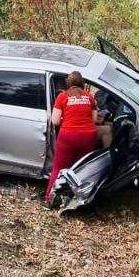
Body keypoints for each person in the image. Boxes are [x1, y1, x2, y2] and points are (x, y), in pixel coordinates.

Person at [46, 70, 101, 204]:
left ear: (68, 83)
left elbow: (55, 121)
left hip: (68, 135)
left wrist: (68, 116)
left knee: (58, 168)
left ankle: (49, 198)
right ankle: (78, 199)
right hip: (88, 136)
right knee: (81, 169)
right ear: (82, 83)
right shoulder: (89, 97)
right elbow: (94, 119)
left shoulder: (62, 96)